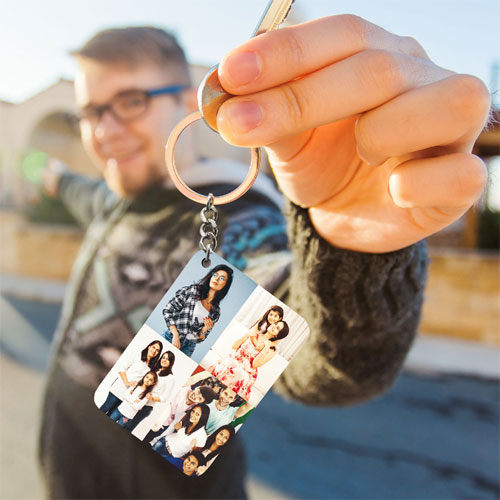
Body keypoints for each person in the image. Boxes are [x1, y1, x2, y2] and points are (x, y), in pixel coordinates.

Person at [39, 14, 489, 499]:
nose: (105, 130)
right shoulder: (114, 201)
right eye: (90, 112)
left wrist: (356, 248)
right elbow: (81, 193)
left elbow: (318, 362)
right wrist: (56, 178)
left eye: (129, 101)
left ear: (187, 96)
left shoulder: (238, 222)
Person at [162, 264, 234, 356]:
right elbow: (168, 309)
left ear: (225, 285)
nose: (216, 279)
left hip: (188, 347)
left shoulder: (216, 312)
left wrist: (204, 330)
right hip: (171, 337)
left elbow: (200, 338)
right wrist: (175, 334)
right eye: (215, 275)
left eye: (222, 278)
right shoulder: (193, 291)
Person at [210, 320, 289, 401]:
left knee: (240, 374)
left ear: (277, 335)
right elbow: (234, 346)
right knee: (227, 365)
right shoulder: (254, 334)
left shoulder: (272, 349)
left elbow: (255, 365)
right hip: (235, 360)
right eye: (275, 324)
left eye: (277, 328)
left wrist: (265, 349)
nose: (274, 326)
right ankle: (214, 391)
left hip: (247, 370)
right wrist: (247, 335)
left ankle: (222, 395)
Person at [99, 339, 162, 416]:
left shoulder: (151, 368)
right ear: (149, 347)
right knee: (105, 408)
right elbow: (122, 368)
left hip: (129, 396)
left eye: (157, 350)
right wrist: (127, 382)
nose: (154, 351)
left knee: (111, 415)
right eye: (153, 347)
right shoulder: (137, 356)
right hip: (119, 388)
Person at [144, 382, 216, 444]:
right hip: (155, 415)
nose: (195, 396)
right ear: (197, 387)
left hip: (164, 425)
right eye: (198, 392)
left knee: (146, 439)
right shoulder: (184, 388)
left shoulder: (193, 408)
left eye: (200, 398)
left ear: (200, 402)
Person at [127, 349, 176, 431]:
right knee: (123, 421)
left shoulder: (170, 378)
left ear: (171, 362)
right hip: (136, 399)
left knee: (129, 427)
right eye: (163, 357)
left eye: (168, 359)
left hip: (146, 406)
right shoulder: (155, 370)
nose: (164, 360)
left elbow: (164, 398)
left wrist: (150, 398)